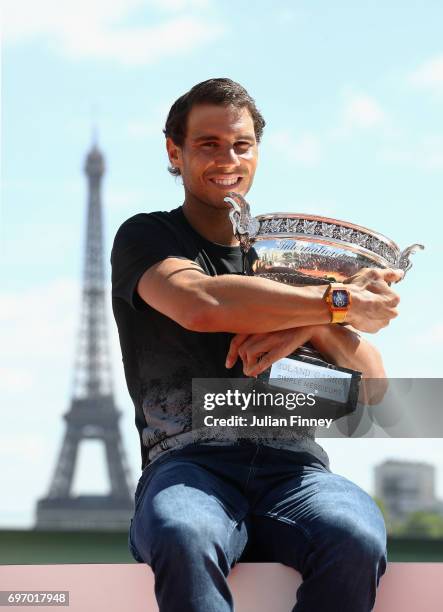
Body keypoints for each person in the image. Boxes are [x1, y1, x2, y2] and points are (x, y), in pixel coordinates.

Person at [111, 78, 402, 612]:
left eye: (242, 144)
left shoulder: (289, 266)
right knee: (183, 532)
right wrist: (336, 302)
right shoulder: (147, 236)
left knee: (356, 536)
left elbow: (374, 384)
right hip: (191, 464)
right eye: (208, 144)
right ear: (174, 151)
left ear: (258, 152)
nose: (228, 158)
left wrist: (309, 322)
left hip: (296, 470)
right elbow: (201, 302)